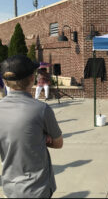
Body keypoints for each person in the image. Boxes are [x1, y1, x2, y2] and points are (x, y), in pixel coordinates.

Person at [0, 55, 63, 198]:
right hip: (38, 188)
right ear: (32, 79)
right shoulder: (42, 109)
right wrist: (42, 138)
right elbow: (58, 143)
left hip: (10, 188)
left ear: (5, 82)